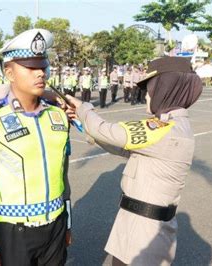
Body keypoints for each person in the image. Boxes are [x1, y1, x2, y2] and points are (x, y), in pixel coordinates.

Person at [65, 57, 203, 265]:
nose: (146, 94)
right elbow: (122, 147)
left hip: (145, 231)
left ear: (165, 88)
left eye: (151, 88)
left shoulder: (164, 130)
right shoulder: (171, 127)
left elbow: (108, 131)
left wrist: (83, 108)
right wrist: (80, 121)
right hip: (136, 222)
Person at [0, 28, 72, 266]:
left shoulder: (57, 116)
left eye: (43, 66)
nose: (40, 73)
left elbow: (62, 176)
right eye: (30, 67)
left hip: (55, 228)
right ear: (10, 73)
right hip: (12, 233)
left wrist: (67, 224)